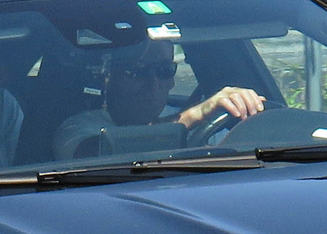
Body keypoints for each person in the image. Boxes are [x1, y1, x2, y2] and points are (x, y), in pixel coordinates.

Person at [53, 42, 264, 159]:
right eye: (137, 71)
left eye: (164, 71)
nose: (152, 85)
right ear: (109, 79)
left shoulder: (213, 126)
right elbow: (94, 153)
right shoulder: (79, 127)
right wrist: (195, 115)